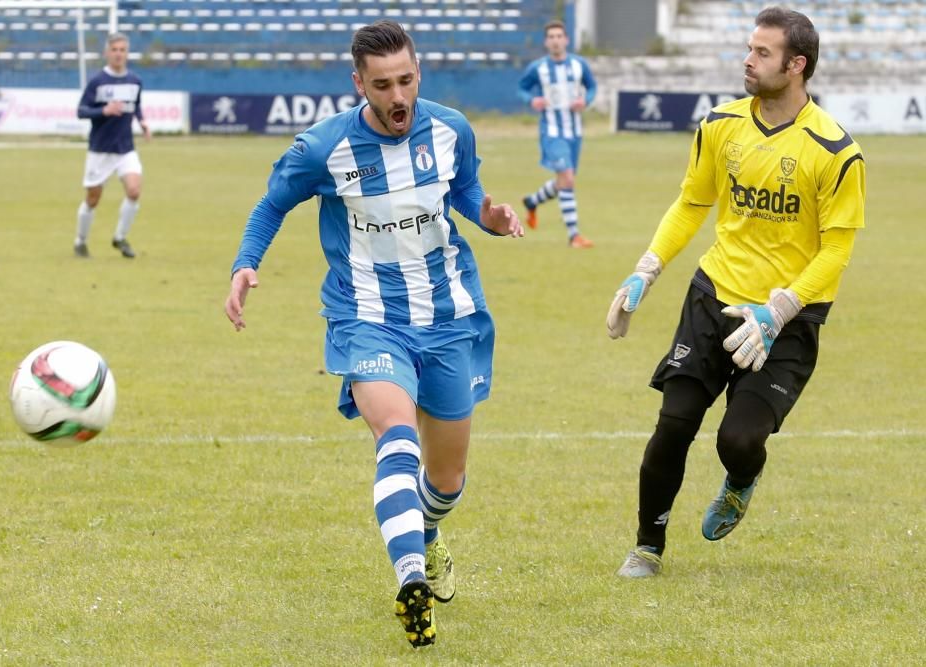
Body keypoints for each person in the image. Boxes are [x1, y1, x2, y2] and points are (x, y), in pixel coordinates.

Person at [224, 20, 522, 646]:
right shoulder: (322, 148)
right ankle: (409, 575)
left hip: (449, 318)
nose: (397, 97)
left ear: (420, 74)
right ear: (358, 83)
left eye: (406, 81)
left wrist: (491, 217)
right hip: (366, 320)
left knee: (446, 481)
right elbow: (272, 203)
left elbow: (464, 192)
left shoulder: (451, 130)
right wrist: (246, 264)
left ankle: (428, 534)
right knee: (396, 432)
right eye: (382, 85)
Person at [606, 7, 865, 578]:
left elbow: (836, 253)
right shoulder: (721, 124)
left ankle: (742, 478)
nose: (748, 60)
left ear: (796, 66)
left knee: (739, 439)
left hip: (787, 319)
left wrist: (779, 310)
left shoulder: (836, 152)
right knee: (674, 421)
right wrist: (645, 269)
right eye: (749, 49)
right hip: (713, 295)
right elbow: (692, 202)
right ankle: (648, 546)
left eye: (762, 53)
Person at [518, 19, 597, 248]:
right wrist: (532, 99)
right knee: (568, 179)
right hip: (551, 131)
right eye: (551, 37)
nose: (555, 40)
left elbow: (591, 87)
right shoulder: (538, 68)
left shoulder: (579, 65)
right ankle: (574, 236)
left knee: (564, 181)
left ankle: (532, 202)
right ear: (546, 41)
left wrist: (586, 100)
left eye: (558, 36)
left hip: (575, 131)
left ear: (566, 39)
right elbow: (522, 88)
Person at [74, 32, 150, 259]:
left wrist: (142, 121)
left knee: (134, 191)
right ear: (107, 53)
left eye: (122, 50)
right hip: (100, 149)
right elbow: (81, 111)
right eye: (114, 49)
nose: (118, 54)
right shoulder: (98, 82)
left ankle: (120, 238)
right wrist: (103, 111)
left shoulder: (135, 81)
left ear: (127, 53)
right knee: (93, 199)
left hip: (126, 148)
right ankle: (81, 240)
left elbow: (135, 106)